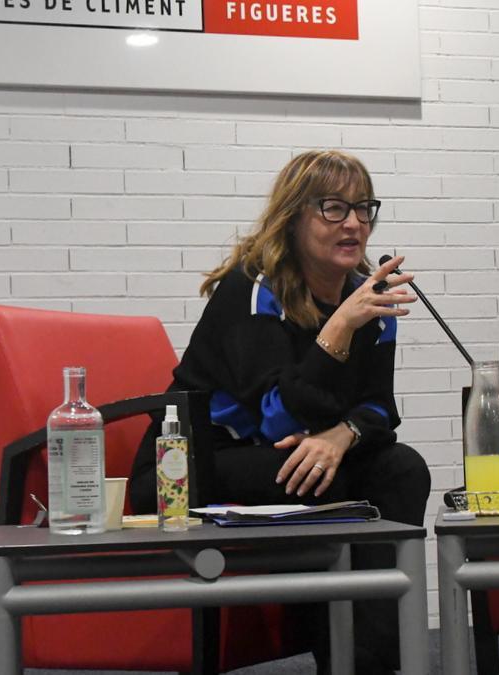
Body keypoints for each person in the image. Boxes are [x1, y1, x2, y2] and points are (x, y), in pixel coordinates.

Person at [129, 150, 431, 675]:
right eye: (334, 208)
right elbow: (277, 418)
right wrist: (337, 329)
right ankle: (340, 657)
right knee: (317, 478)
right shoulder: (252, 288)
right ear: (294, 217)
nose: (355, 223)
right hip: (193, 464)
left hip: (292, 455)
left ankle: (377, 662)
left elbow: (380, 409)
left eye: (364, 209)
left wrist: (341, 437)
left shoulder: (370, 299)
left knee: (403, 468)